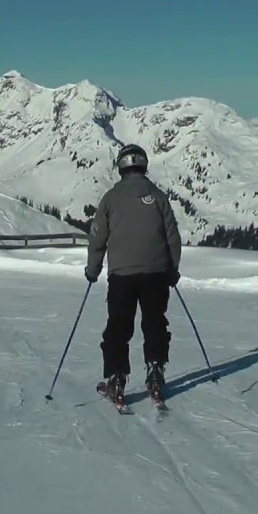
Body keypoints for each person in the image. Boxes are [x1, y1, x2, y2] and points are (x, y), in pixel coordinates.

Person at [83, 143, 182, 407]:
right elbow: (172, 237)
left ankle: (116, 377)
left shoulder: (110, 199)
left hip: (122, 276)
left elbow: (97, 238)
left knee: (118, 327)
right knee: (155, 323)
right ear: (144, 165)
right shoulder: (159, 197)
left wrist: (92, 270)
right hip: (156, 274)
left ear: (121, 167)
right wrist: (172, 270)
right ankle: (156, 372)